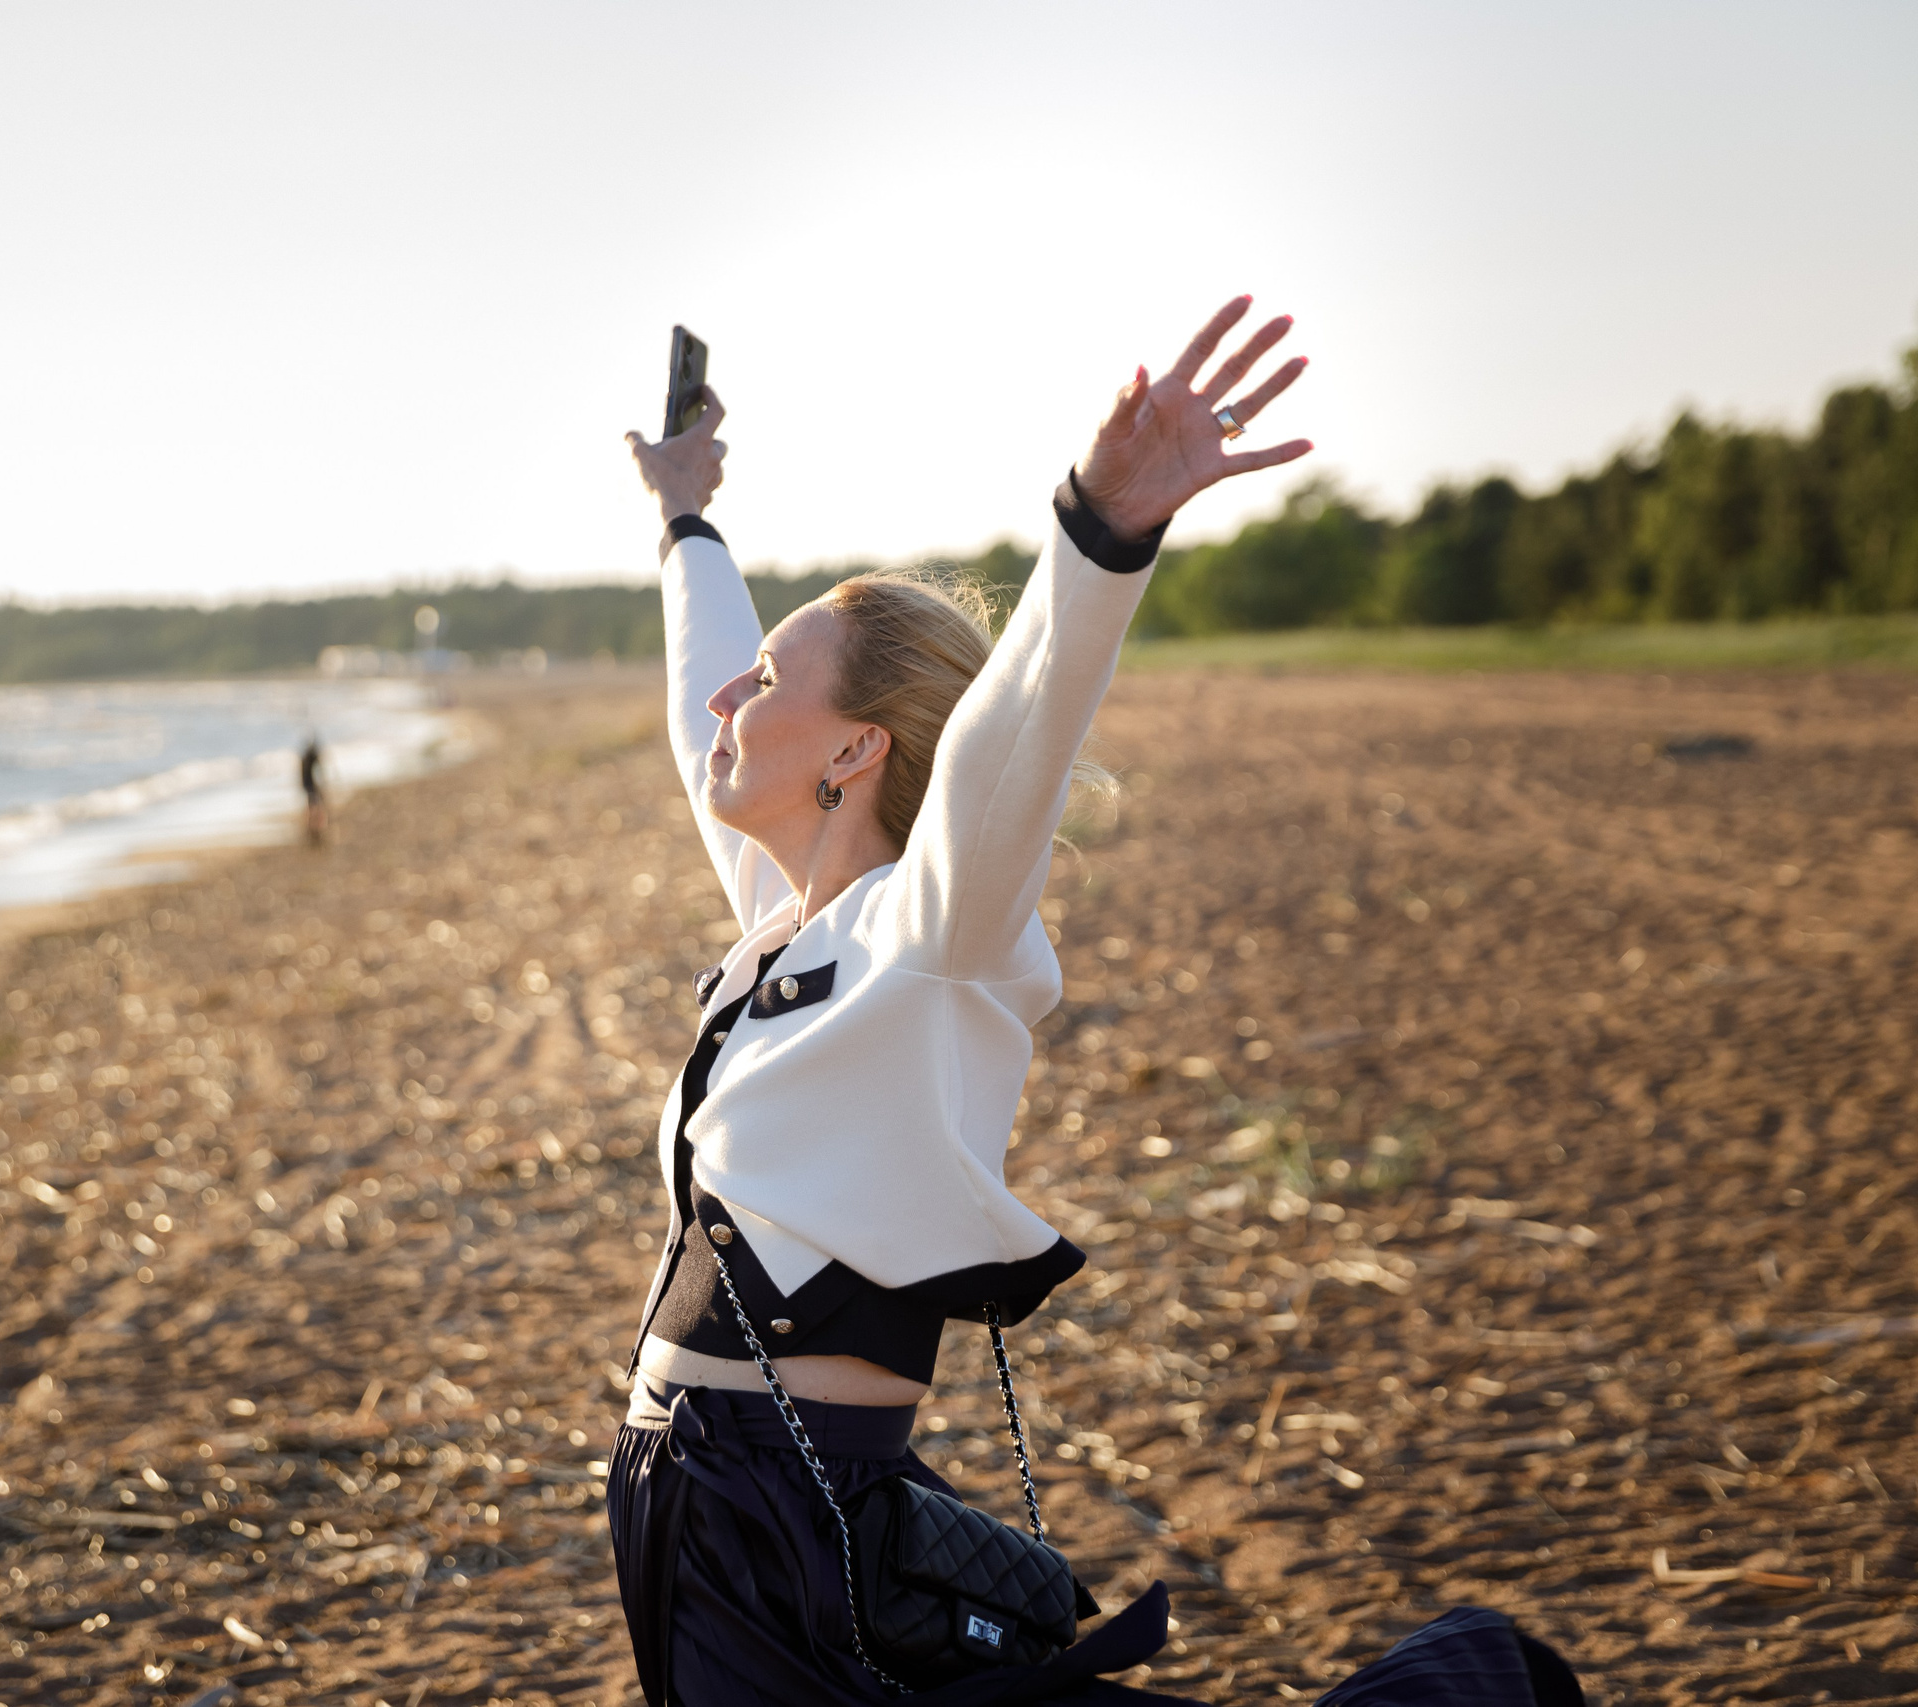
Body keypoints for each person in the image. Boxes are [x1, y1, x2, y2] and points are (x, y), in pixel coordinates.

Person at [608, 299, 1582, 1706]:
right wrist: (686, 518)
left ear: (856, 750)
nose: (724, 704)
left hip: (785, 1517)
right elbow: (697, 689)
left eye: (765, 686)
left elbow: (1015, 736)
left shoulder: (930, 934)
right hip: (690, 1507)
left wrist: (1099, 526)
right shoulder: (784, 931)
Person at [299, 732, 328, 847]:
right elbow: (319, 772)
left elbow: (302, 775)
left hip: (307, 785)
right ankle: (315, 829)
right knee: (316, 808)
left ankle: (311, 829)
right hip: (312, 786)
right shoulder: (311, 757)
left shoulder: (304, 757)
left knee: (312, 808)